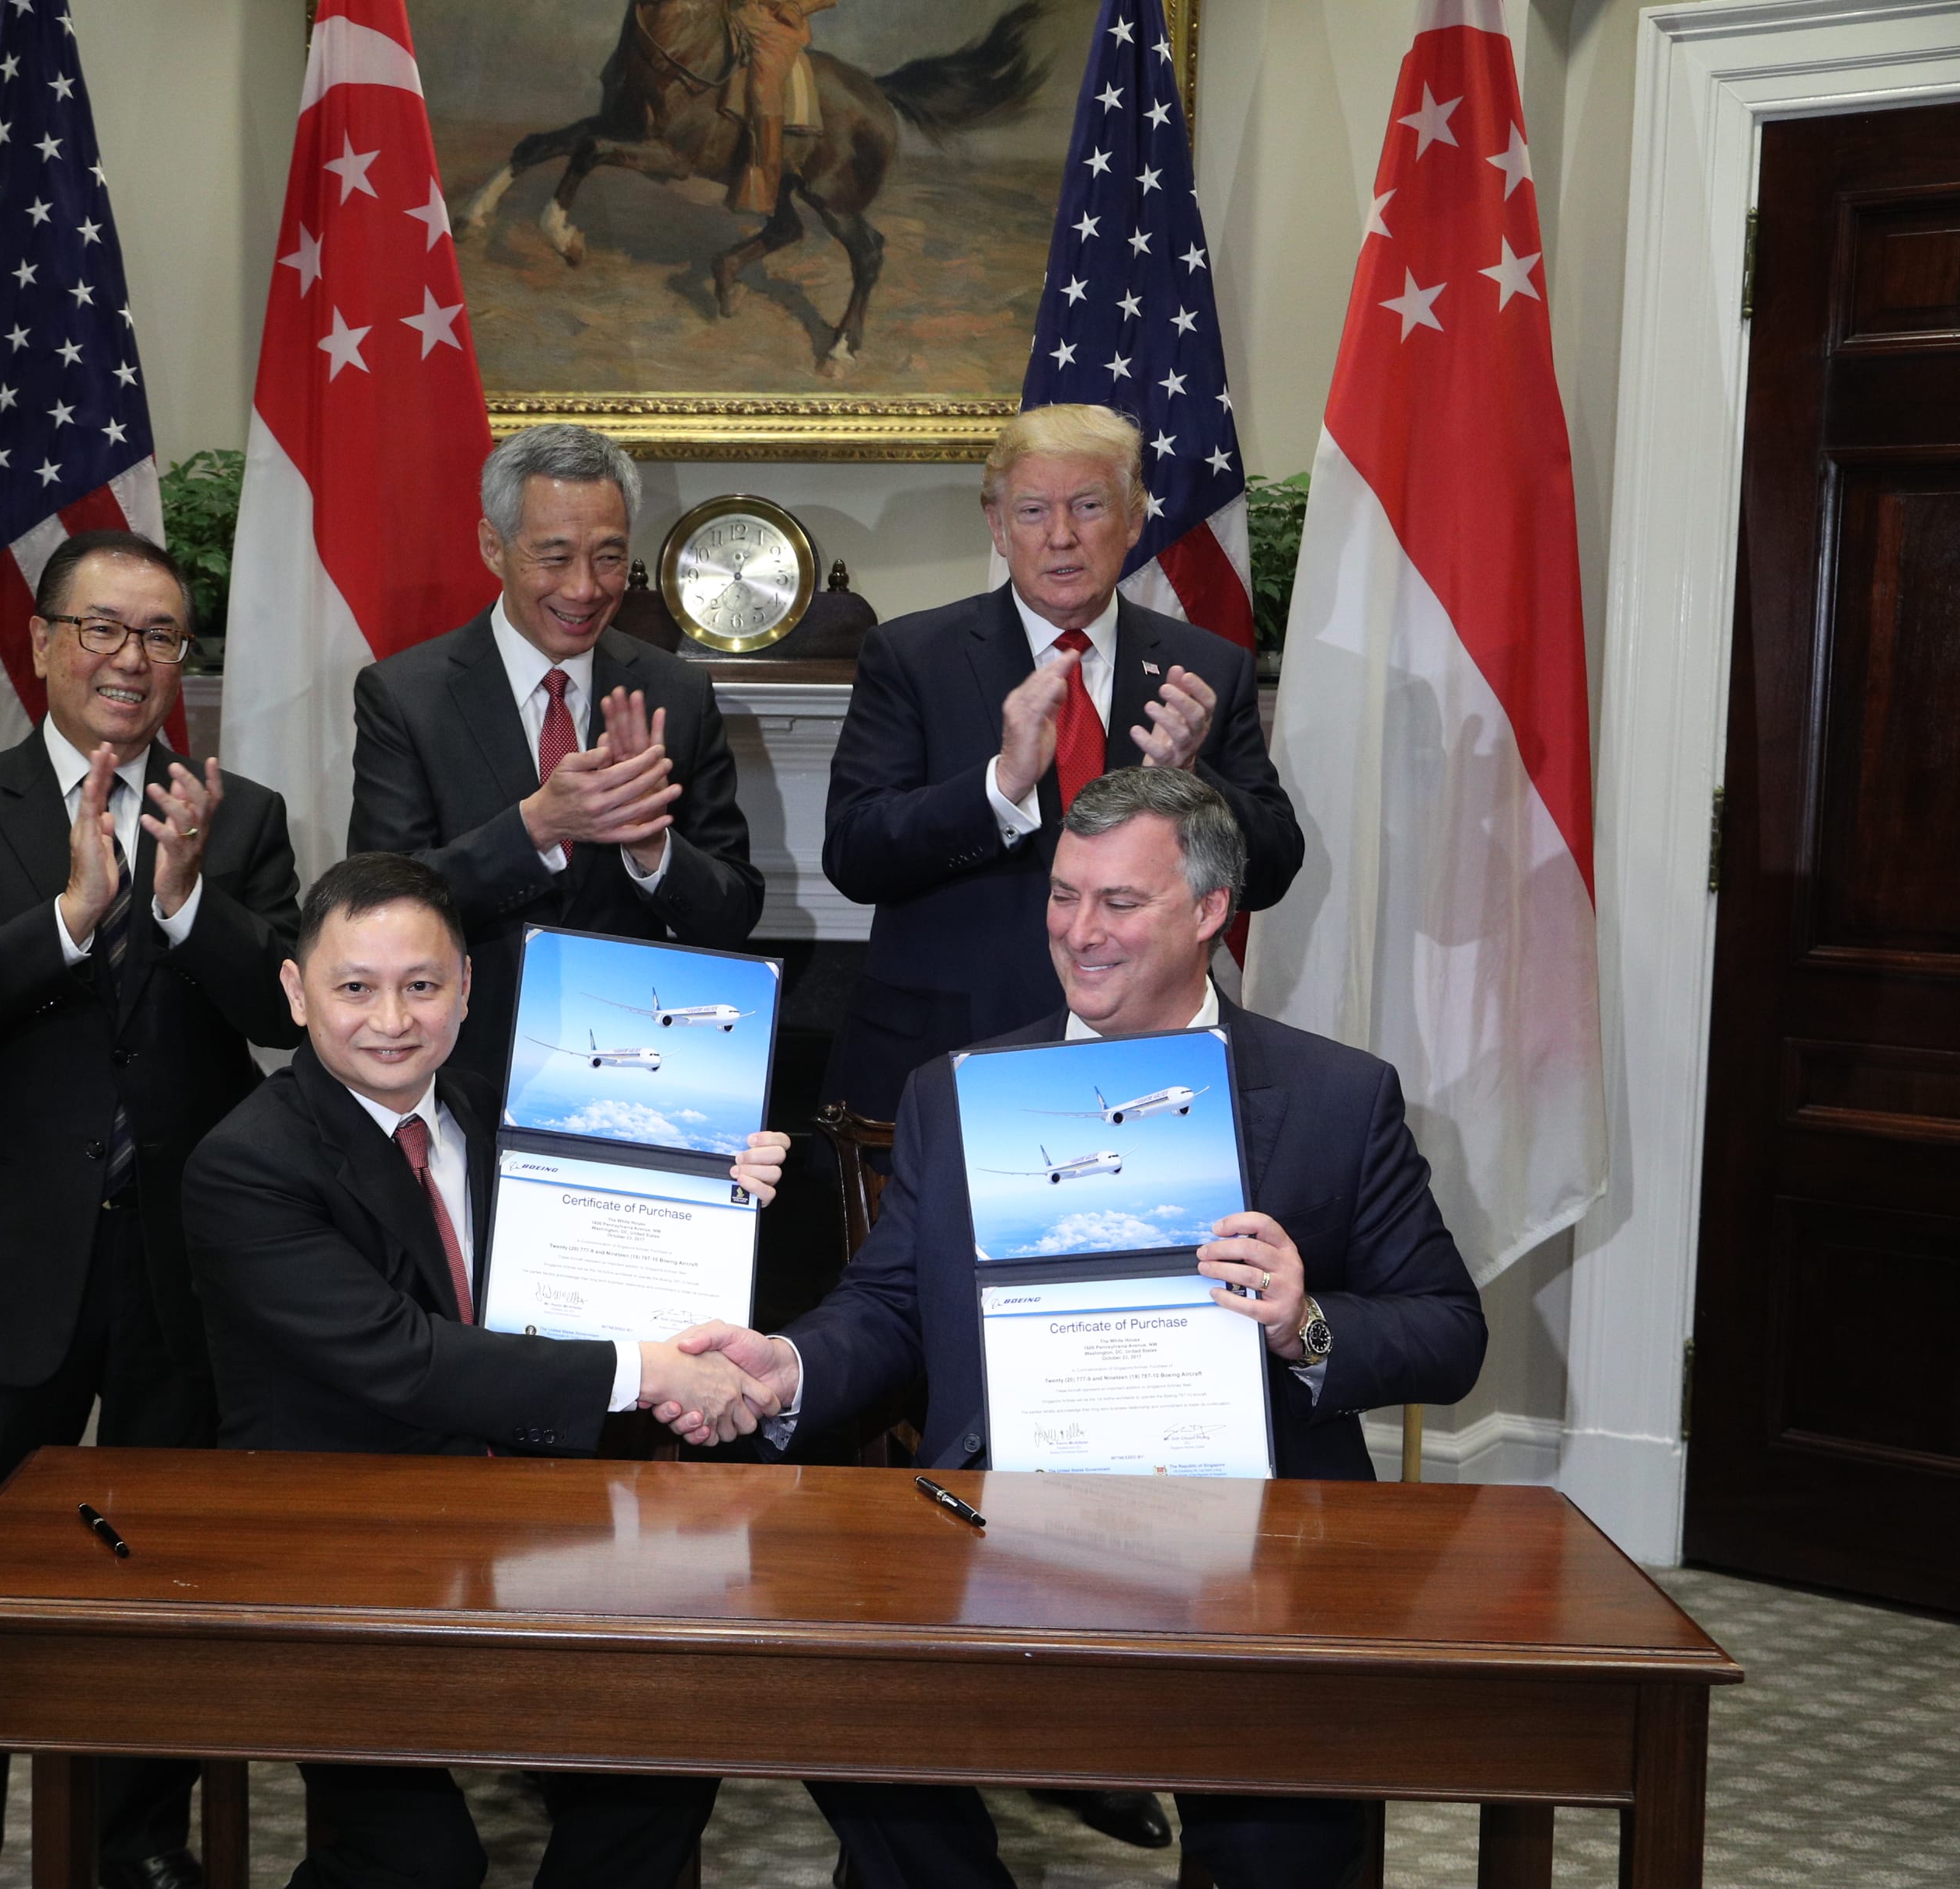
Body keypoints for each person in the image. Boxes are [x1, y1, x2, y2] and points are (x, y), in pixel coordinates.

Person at [660, 767, 1486, 1889]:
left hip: (1254, 1551)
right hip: (996, 1530)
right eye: (1063, 896)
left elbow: (1448, 1333)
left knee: (1282, 1846)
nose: (1079, 933)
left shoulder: (1338, 1098)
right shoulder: (960, 1090)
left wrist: (1309, 1326)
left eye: (1119, 903)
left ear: (1209, 913)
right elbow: (894, 1305)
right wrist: (791, 1363)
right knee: (835, 1704)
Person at [183, 852, 786, 1889]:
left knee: (671, 1753)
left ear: (466, 986)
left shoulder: (508, 1115)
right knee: (420, 1865)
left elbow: (598, 1275)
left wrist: (710, 1193)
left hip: (537, 1517)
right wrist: (647, 1371)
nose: (391, 1020)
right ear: (295, 993)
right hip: (340, 1556)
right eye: (354, 988)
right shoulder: (245, 1165)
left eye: (421, 986)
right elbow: (404, 1361)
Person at [0, 530, 302, 1889]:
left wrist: (183, 905)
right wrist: (68, 916)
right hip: (9, 1266)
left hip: (182, 1261)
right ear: (44, 643)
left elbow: (286, 1015)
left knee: (161, 1574)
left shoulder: (238, 813)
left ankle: (133, 1843)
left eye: (162, 636)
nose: (132, 660)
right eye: (105, 631)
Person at [820, 403, 1302, 1129]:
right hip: (949, 1057)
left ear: (1134, 521)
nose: (1061, 537)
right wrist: (1001, 787)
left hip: (1142, 1064)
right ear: (998, 526)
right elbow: (854, 855)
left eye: (1088, 506)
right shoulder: (912, 657)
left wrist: (1196, 780)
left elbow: (1272, 871)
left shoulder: (1204, 668)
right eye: (1035, 510)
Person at [349, 424, 761, 1093]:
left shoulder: (676, 693)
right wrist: (537, 825)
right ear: (493, 547)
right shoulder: (406, 696)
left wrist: (653, 850)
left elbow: (735, 908)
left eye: (608, 558)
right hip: (460, 1067)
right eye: (555, 557)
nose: (584, 589)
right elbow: (382, 905)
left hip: (631, 1074)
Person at [723, 0, 837, 214]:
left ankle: (764, 187)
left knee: (763, 86)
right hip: (728, 10)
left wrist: (797, 8)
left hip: (773, 24)